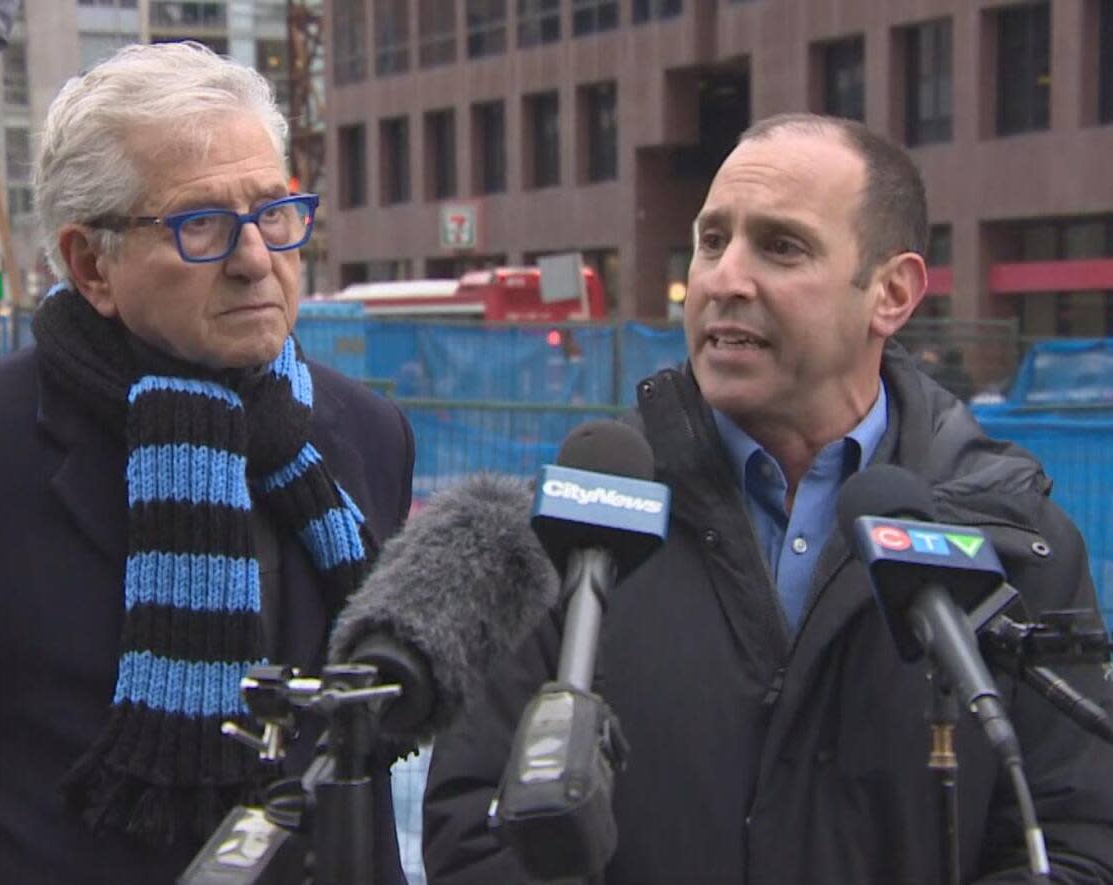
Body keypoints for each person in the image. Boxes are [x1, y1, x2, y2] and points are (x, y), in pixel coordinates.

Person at [422, 113, 1113, 883]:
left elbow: (1073, 842)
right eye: (713, 240)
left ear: (892, 293)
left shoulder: (1017, 541)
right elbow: (474, 834)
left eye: (781, 246)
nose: (724, 278)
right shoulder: (576, 526)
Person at [0, 43, 415, 884]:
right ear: (92, 264)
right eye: (202, 225)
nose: (255, 258)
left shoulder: (366, 436)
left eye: (274, 212)